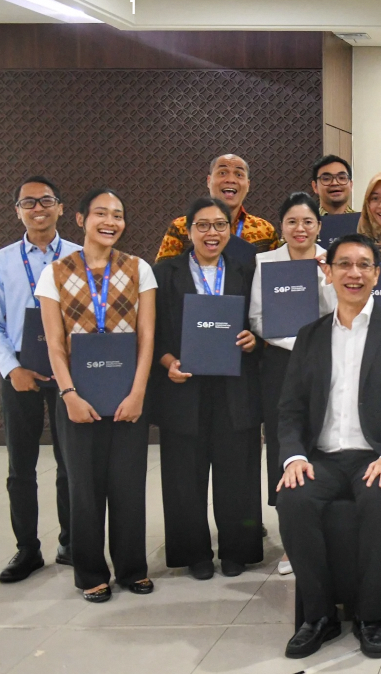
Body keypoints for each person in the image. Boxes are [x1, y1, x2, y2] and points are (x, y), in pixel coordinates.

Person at [276, 234, 381, 659]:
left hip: (375, 454)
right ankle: (320, 616)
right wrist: (292, 457)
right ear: (327, 273)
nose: (354, 273)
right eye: (344, 264)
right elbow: (288, 409)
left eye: (364, 265)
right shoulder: (309, 335)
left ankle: (370, 615)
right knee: (293, 498)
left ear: (377, 275)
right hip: (322, 457)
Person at [36, 188, 157, 602]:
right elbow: (54, 343)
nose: (111, 222)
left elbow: (147, 338)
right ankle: (90, 573)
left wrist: (139, 392)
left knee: (128, 486)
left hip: (127, 395)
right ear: (81, 219)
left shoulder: (140, 268)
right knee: (83, 489)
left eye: (118, 215)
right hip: (77, 396)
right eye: (101, 213)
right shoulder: (54, 272)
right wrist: (68, 393)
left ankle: (132, 568)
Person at [151, 196, 262, 580]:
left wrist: (254, 339)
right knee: (184, 474)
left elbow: (261, 320)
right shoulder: (166, 273)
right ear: (188, 230)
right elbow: (154, 333)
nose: (212, 233)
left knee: (239, 474)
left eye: (219, 225)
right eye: (203, 225)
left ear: (230, 230)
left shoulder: (248, 269)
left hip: (236, 385)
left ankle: (239, 549)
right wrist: (168, 363)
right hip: (184, 386)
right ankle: (193, 552)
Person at [248, 192, 337, 575]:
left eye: (308, 222)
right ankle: (291, 544)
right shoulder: (265, 260)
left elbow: (341, 311)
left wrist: (325, 276)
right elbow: (256, 317)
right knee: (285, 444)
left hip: (325, 361)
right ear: (280, 226)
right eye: (292, 222)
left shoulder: (331, 259)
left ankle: (329, 530)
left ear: (319, 226)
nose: (300, 229)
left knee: (323, 440)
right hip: (280, 363)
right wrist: (296, 343)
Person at [0, 177, 78, 584]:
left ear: (61, 208)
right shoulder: (3, 261)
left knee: (70, 462)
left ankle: (70, 541)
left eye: (46, 200)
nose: (38, 208)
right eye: (28, 202)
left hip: (70, 375)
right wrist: (11, 368)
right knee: (21, 466)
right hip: (19, 373)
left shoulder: (82, 257)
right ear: (17, 211)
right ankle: (27, 549)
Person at [156, 154, 278, 261]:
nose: (231, 180)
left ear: (248, 185)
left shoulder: (265, 231)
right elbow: (163, 278)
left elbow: (273, 280)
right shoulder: (182, 227)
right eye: (222, 173)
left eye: (239, 174)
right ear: (209, 181)